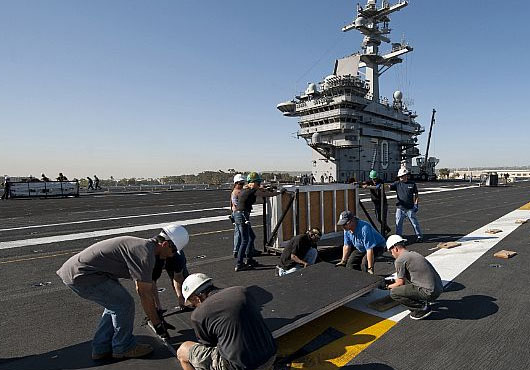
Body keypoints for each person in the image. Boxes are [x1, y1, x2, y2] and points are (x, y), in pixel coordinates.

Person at [56, 222, 184, 360]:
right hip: (83, 275)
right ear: (165, 244)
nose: (171, 256)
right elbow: (144, 294)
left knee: (114, 306)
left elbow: (149, 285)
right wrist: (157, 325)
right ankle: (123, 347)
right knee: (124, 304)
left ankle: (101, 348)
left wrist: (157, 315)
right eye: (173, 251)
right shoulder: (145, 254)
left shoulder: (144, 247)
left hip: (81, 272)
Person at [176, 273, 276, 370]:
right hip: (270, 356)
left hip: (239, 366)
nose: (194, 307)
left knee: (183, 350)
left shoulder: (198, 314)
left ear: (196, 299)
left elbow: (209, 345)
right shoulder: (241, 291)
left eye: (193, 304)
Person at [384, 235, 443, 320]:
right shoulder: (413, 254)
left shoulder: (400, 260)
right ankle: (423, 301)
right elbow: (404, 279)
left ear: (395, 248)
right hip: (438, 287)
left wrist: (387, 286)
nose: (392, 254)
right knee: (407, 280)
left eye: (391, 252)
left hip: (429, 292)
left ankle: (421, 309)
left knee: (394, 293)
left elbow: (400, 283)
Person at [234, 172, 283, 272]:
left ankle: (249, 259)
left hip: (239, 215)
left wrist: (266, 188)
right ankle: (239, 264)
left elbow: (260, 190)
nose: (259, 184)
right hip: (242, 215)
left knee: (251, 237)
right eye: (258, 182)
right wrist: (280, 192)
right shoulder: (252, 191)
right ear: (253, 182)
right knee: (245, 240)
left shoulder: (246, 189)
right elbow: (266, 194)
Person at [151, 224, 190, 313]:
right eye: (173, 250)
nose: (172, 253)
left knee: (185, 281)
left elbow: (177, 277)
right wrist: (157, 307)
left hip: (171, 261)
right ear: (165, 244)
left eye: (175, 251)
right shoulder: (150, 255)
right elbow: (150, 283)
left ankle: (185, 300)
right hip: (156, 261)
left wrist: (181, 297)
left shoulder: (177, 257)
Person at [389, 168, 423, 242]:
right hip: (400, 208)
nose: (400, 178)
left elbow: (416, 194)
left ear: (405, 176)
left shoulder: (412, 184)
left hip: (410, 208)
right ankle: (398, 238)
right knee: (398, 224)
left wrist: (416, 204)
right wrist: (380, 185)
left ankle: (419, 236)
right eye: (400, 177)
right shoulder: (397, 184)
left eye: (402, 176)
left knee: (415, 223)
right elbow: (388, 186)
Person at [230, 174, 246, 258]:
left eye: (242, 183)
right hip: (239, 214)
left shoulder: (234, 191)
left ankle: (236, 250)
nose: (242, 185)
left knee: (238, 233)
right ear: (236, 183)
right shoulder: (237, 192)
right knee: (244, 235)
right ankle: (239, 252)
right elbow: (237, 204)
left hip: (235, 213)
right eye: (240, 183)